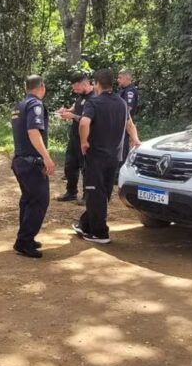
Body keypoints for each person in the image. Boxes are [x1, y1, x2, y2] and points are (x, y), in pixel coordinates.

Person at [75, 69, 141, 244]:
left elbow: (84, 122)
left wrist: (83, 142)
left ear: (97, 84)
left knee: (94, 192)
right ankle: (86, 224)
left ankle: (100, 233)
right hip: (115, 156)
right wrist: (135, 139)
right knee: (102, 192)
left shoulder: (94, 103)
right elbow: (130, 124)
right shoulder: (121, 103)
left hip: (96, 155)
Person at [11, 75, 56, 258]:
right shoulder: (35, 105)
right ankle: (24, 241)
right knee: (40, 201)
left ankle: (25, 237)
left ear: (25, 87)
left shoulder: (18, 106)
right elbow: (32, 131)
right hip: (31, 162)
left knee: (28, 200)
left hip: (20, 160)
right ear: (42, 87)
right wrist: (47, 158)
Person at [56, 74, 94, 204]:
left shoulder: (94, 98)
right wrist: (66, 111)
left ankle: (87, 195)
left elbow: (87, 119)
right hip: (74, 137)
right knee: (70, 165)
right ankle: (71, 192)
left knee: (86, 168)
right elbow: (76, 107)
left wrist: (72, 116)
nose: (75, 91)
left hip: (86, 138)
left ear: (85, 84)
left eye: (77, 89)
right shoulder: (81, 96)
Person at [117, 69, 139, 166]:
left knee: (123, 147)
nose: (118, 80)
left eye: (120, 78)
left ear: (127, 78)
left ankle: (120, 169)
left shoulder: (130, 91)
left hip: (124, 123)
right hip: (118, 123)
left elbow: (127, 108)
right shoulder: (122, 91)